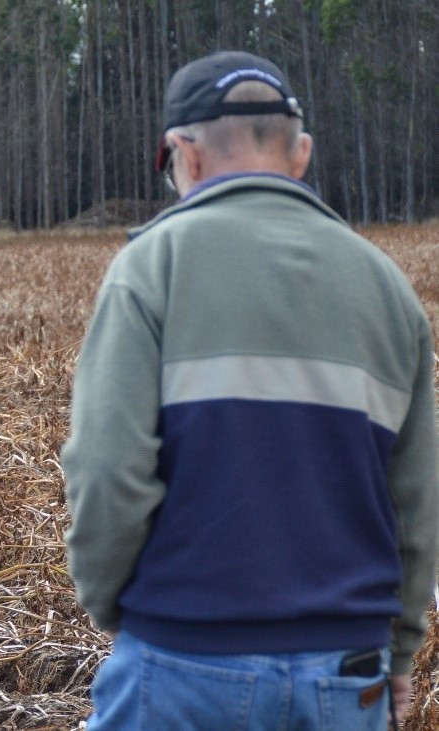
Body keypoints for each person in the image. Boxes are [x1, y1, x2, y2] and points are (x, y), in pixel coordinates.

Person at [62, 51, 438, 730]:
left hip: (180, 658)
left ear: (186, 155)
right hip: (346, 672)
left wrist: (119, 610)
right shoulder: (388, 289)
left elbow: (106, 467)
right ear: (301, 155)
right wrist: (400, 650)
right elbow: (417, 504)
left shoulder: (151, 267)